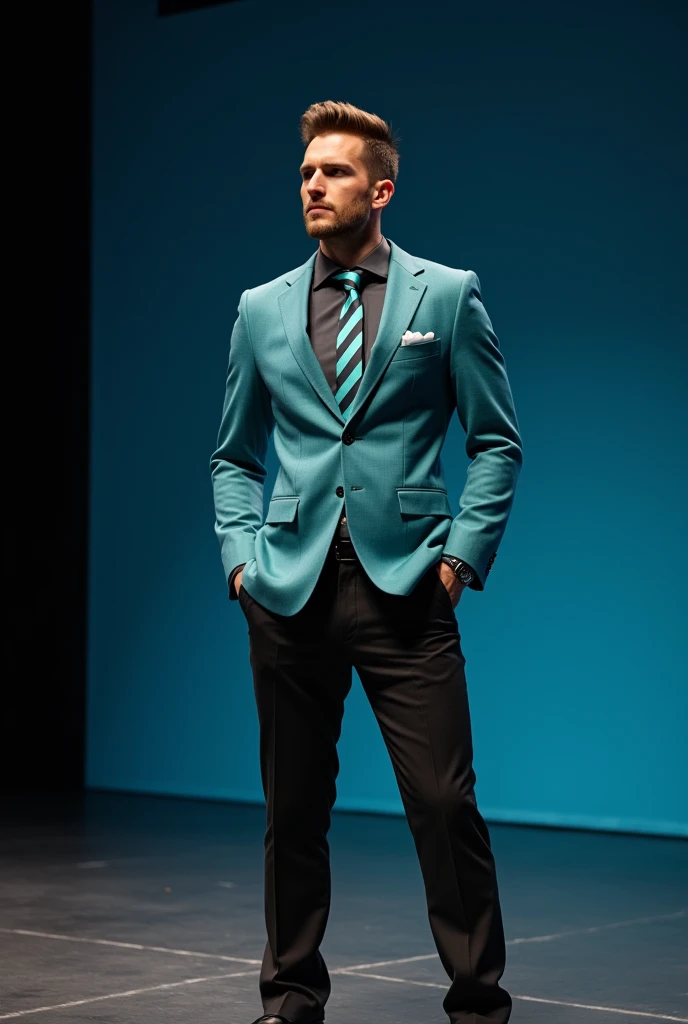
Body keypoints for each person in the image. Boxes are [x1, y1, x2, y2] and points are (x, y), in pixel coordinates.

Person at [210, 100, 522, 1024]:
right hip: (289, 587)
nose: (313, 184)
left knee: (441, 802)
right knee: (292, 812)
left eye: (335, 172)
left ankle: (476, 1000)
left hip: (407, 588)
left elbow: (497, 440)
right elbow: (234, 454)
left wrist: (461, 558)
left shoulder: (448, 294)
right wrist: (240, 560)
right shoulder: (261, 307)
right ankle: (290, 996)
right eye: (306, 171)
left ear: (381, 188)